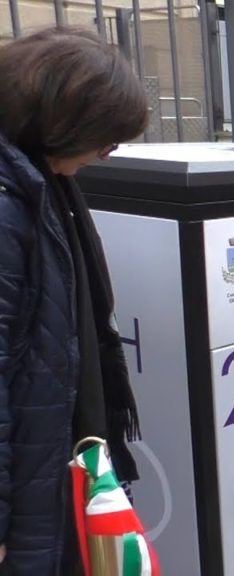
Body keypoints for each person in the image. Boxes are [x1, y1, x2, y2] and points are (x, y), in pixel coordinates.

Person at [0, 28, 148, 574]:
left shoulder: (44, 183)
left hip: (57, 452)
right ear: (64, 123)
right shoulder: (11, 205)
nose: (112, 151)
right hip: (33, 480)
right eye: (107, 136)